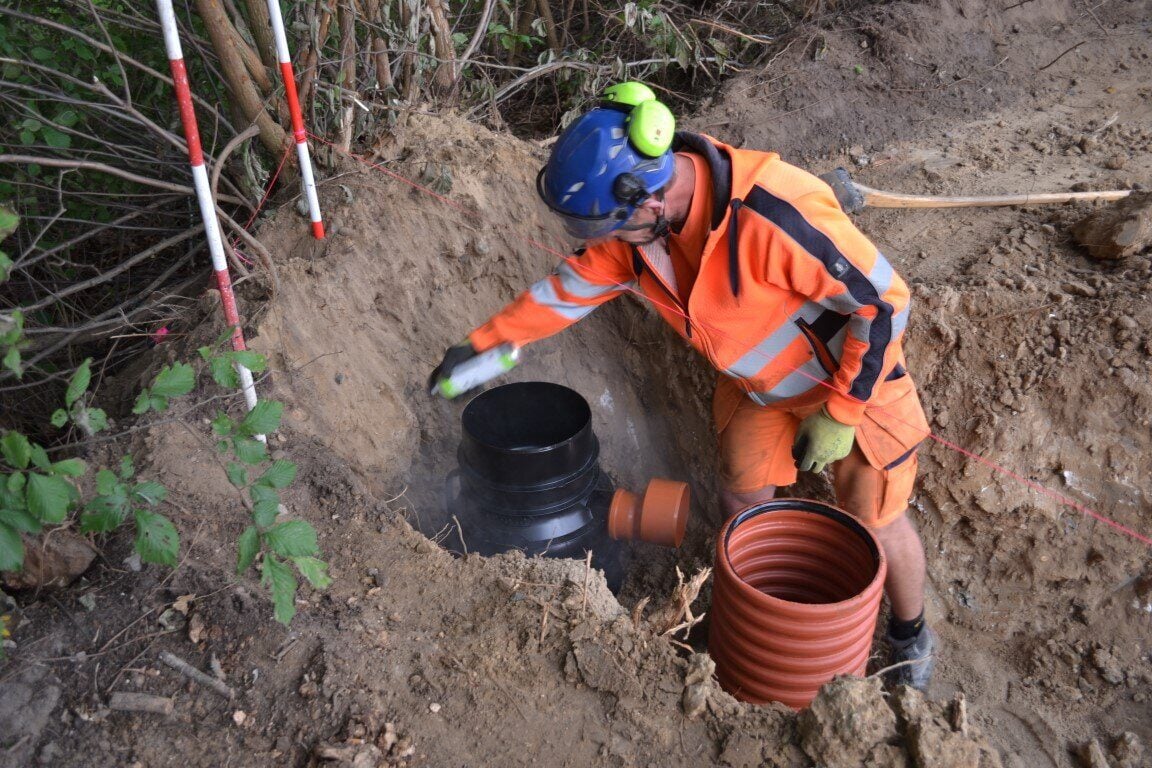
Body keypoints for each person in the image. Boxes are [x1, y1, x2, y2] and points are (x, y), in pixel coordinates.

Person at [429, 82, 937, 690]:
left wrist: (845, 409)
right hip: (757, 389)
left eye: (610, 224)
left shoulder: (773, 213)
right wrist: (483, 349)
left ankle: (911, 638)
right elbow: (564, 291)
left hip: (853, 382)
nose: (601, 241)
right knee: (742, 502)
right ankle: (759, 615)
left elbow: (885, 303)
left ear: (647, 198)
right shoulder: (638, 238)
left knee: (874, 518)